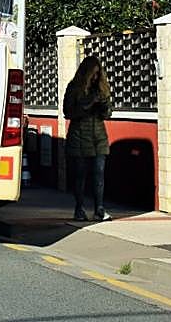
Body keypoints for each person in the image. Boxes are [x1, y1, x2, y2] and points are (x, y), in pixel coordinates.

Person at [63, 55, 113, 221]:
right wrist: (88, 104)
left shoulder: (102, 88)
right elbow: (68, 112)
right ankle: (79, 209)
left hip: (98, 138)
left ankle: (99, 209)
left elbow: (108, 113)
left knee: (99, 175)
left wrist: (103, 106)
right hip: (79, 137)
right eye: (93, 74)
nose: (96, 77)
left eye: (98, 74)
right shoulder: (74, 88)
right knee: (80, 176)